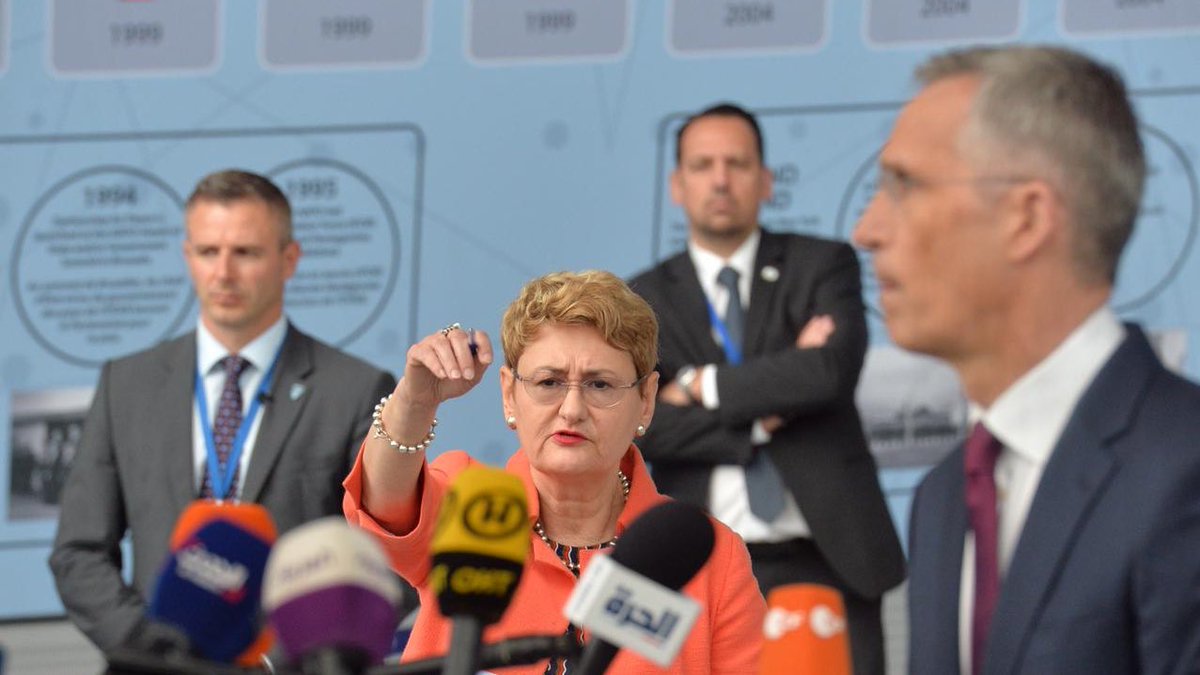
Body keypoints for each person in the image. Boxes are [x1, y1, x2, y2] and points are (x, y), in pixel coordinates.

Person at [852, 45, 1200, 674]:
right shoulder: (942, 498)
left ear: (1027, 217)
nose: (867, 231)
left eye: (904, 185)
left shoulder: (1183, 466)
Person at [344, 270, 766, 674]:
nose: (572, 410)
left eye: (600, 384)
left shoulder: (710, 558)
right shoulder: (468, 504)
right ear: (509, 395)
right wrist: (415, 401)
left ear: (646, 401)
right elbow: (383, 503)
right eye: (549, 382)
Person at [49, 169, 396, 652]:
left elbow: (388, 562)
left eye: (246, 252)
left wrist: (293, 654)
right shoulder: (126, 384)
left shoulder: (357, 390)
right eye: (208, 251)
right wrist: (151, 647)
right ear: (187, 256)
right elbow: (79, 552)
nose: (223, 273)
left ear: (289, 259)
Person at [629, 103, 905, 674]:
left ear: (766, 181)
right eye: (703, 165)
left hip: (827, 556)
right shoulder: (642, 299)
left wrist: (697, 384)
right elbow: (642, 423)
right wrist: (763, 415)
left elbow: (827, 374)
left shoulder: (822, 264)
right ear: (677, 186)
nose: (721, 179)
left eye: (737, 163)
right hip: (701, 567)